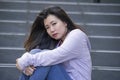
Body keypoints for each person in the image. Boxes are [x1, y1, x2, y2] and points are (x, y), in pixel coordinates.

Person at [16, 6, 92, 80]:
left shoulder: (77, 35)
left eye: (54, 24)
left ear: (65, 22)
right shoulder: (57, 44)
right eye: (47, 27)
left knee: (46, 60)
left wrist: (25, 60)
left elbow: (54, 56)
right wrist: (26, 68)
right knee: (35, 52)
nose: (51, 30)